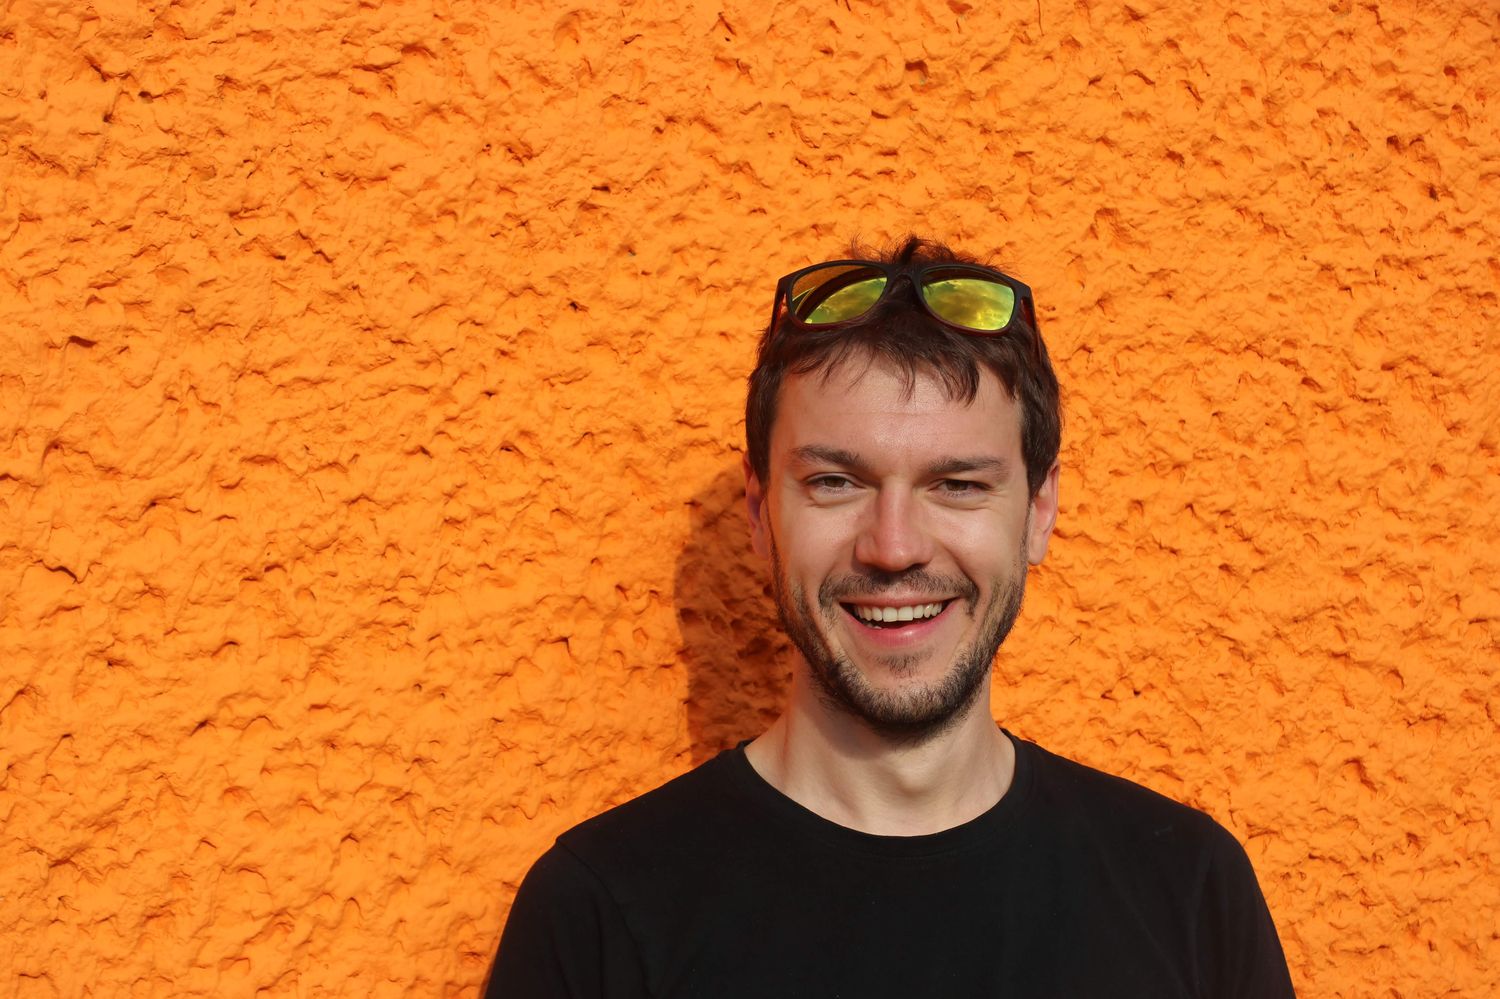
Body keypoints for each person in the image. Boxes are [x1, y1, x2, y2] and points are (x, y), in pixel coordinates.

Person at [486, 237, 1295, 997]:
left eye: (959, 484)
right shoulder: (596, 916)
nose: (894, 546)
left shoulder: (1190, 894)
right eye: (836, 482)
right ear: (761, 512)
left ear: (1040, 510)